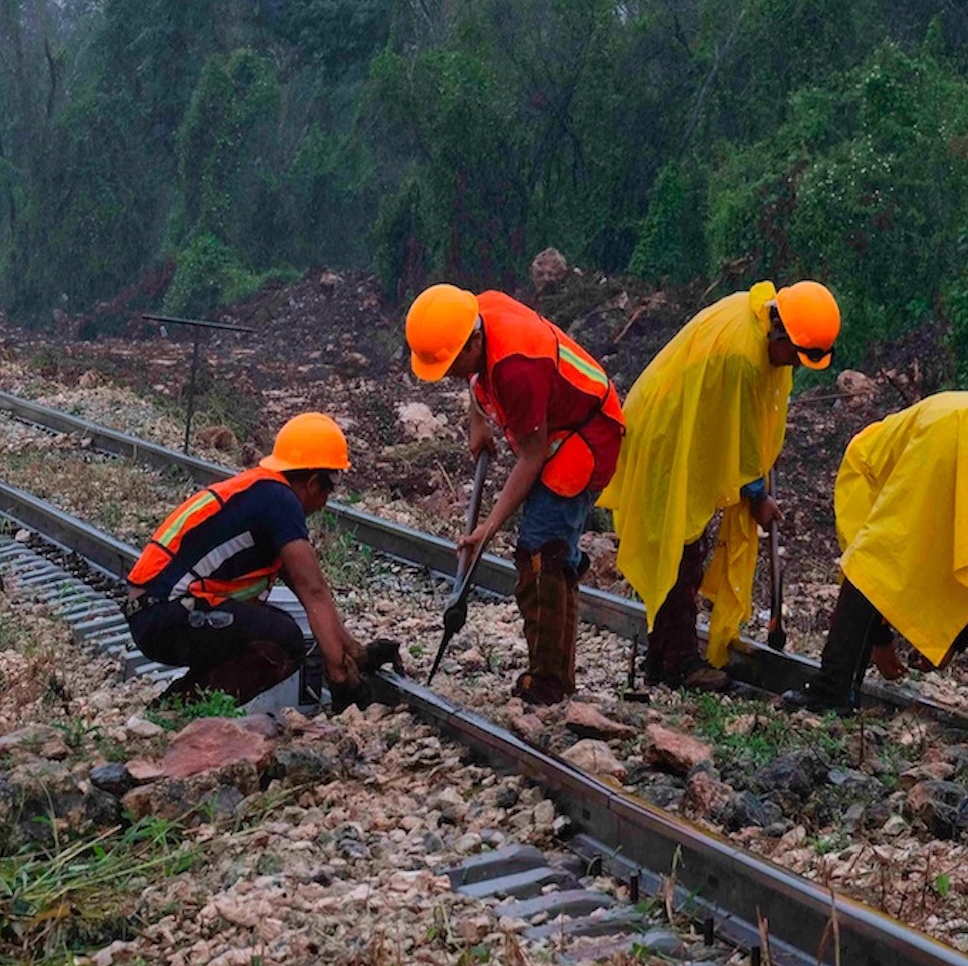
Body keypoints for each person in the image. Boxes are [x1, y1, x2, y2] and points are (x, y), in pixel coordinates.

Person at [599, 281, 839, 691]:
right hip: (667, 435)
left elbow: (753, 415)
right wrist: (757, 495)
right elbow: (740, 438)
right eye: (796, 356)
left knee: (684, 547)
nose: (795, 366)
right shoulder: (742, 358)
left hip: (688, 426)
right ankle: (678, 664)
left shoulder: (758, 318)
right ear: (780, 332)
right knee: (678, 548)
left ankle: (663, 657)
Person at [404, 285, 624, 705]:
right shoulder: (474, 312)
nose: (448, 373)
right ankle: (557, 670)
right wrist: (478, 421)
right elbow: (473, 373)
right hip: (560, 420)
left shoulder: (517, 367)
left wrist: (489, 526)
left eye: (451, 364)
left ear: (473, 341)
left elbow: (532, 454)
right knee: (549, 555)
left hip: (586, 435)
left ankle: (548, 682)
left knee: (541, 553)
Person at [781, 391, 968, 718]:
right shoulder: (896, 438)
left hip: (950, 432)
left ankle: (831, 689)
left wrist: (880, 643)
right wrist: (951, 641)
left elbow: (869, 571)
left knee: (869, 560)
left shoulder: (859, 462)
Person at [126, 413, 369, 708]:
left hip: (158, 611)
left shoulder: (264, 493)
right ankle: (180, 712)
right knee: (282, 640)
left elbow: (312, 594)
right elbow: (314, 591)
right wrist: (340, 678)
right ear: (314, 482)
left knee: (275, 626)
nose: (325, 502)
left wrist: (354, 651)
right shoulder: (281, 501)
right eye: (329, 489)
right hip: (164, 614)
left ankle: (177, 704)